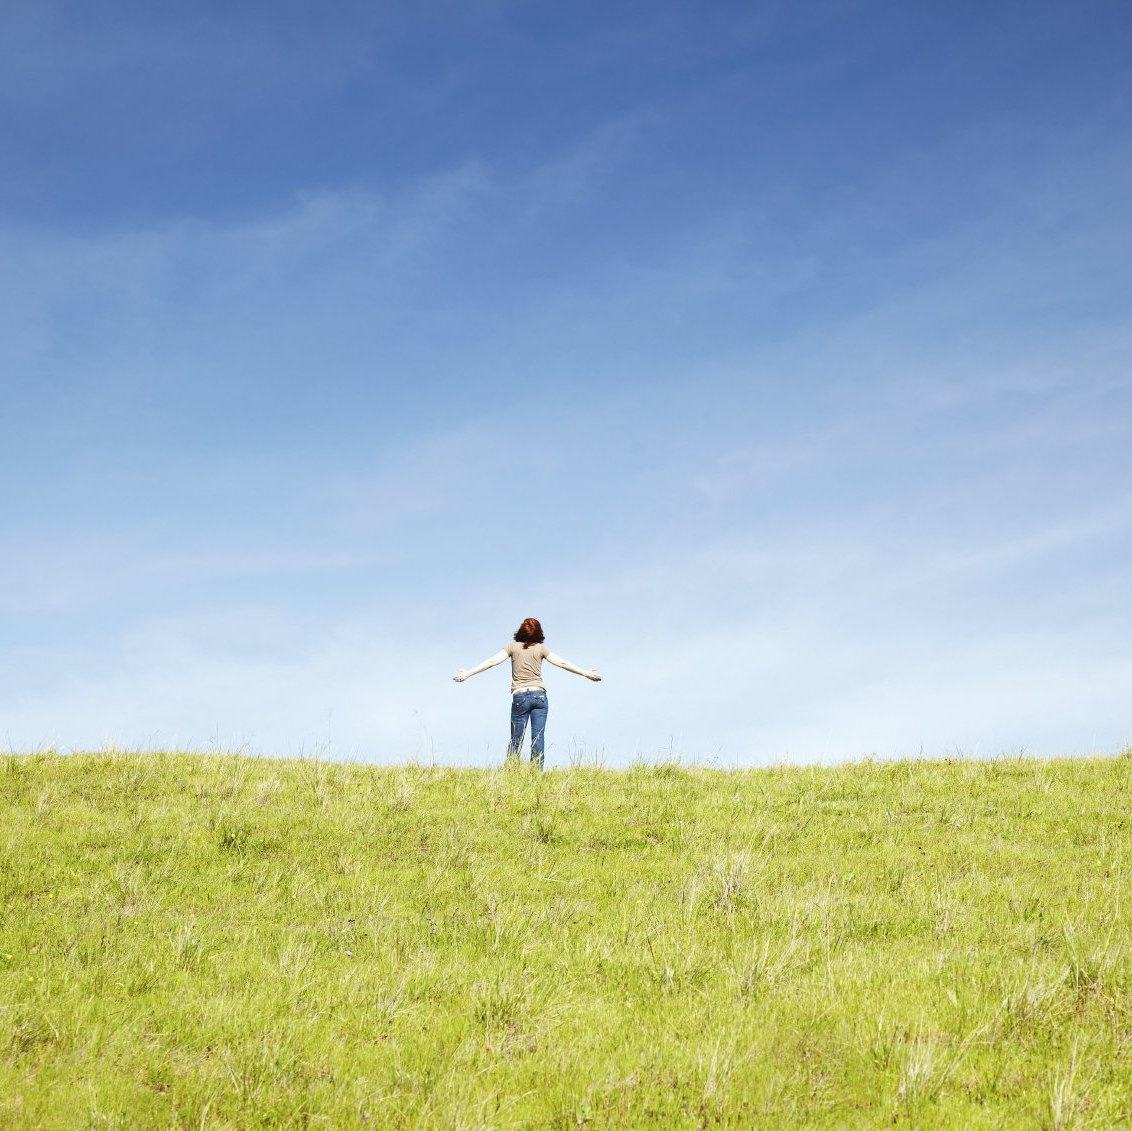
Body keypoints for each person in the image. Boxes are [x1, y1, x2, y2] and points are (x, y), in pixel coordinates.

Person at [453, 618, 601, 769]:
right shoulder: (542, 648)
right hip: (540, 696)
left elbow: (492, 662)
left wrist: (469, 673)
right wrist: (585, 673)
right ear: (539, 632)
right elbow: (562, 663)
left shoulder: (512, 647)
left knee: (516, 738)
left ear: (520, 631)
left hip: (520, 696)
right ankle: (536, 773)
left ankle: (511, 770)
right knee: (538, 737)